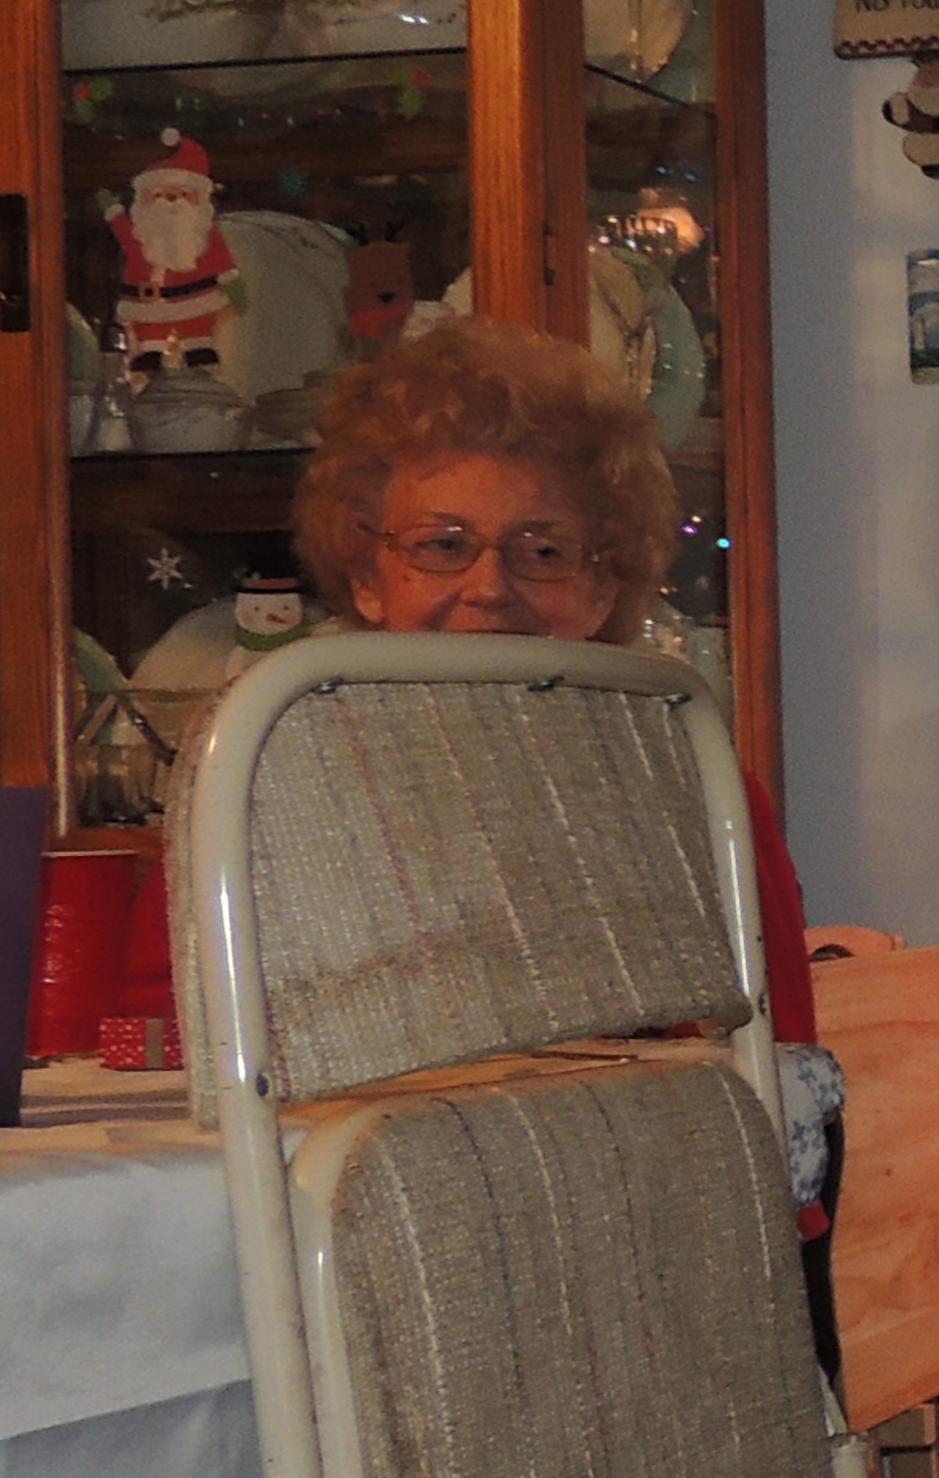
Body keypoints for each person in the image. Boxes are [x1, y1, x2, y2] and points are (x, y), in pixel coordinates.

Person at [291, 317, 828, 1156]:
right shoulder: (276, 781)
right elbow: (167, 1053)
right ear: (367, 577)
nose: (487, 588)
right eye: (442, 546)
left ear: (604, 589)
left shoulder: (692, 792)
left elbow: (777, 1096)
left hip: (628, 1192)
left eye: (543, 552)